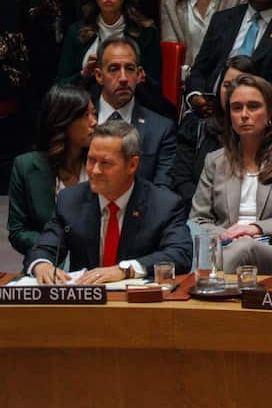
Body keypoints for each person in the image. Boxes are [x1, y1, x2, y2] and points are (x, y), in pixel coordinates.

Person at [26, 119, 192, 282]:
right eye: (91, 160)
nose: (95, 171)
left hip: (139, 304)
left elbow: (180, 254)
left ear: (132, 165)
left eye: (106, 163)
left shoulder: (164, 204)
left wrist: (126, 270)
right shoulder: (70, 200)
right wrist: (42, 265)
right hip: (87, 303)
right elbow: (44, 248)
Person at [191, 75, 272, 273]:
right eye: (237, 108)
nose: (244, 114)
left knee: (246, 247)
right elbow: (198, 221)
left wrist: (255, 229)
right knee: (239, 247)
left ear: (271, 114)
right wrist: (229, 235)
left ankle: (208, 287)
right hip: (225, 246)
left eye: (253, 106)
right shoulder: (215, 161)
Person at [8, 85, 95, 257]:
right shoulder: (25, 166)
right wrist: (52, 247)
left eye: (94, 113)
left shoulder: (102, 162)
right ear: (65, 120)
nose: (94, 121)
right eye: (86, 115)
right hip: (47, 265)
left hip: (96, 266)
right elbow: (18, 231)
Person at [55, 0, 162, 89]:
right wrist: (84, 74)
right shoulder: (76, 32)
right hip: (86, 105)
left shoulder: (146, 32)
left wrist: (136, 77)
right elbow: (60, 86)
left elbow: (156, 87)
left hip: (132, 104)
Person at [171, 56, 258, 210]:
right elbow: (181, 179)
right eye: (227, 85)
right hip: (197, 213)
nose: (232, 92)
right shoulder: (196, 124)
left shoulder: (263, 132)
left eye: (241, 85)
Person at [90, 37, 176, 189]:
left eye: (129, 69)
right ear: (98, 75)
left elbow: (163, 191)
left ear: (139, 75)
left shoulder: (161, 129)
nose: (123, 78)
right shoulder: (80, 122)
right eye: (114, 69)